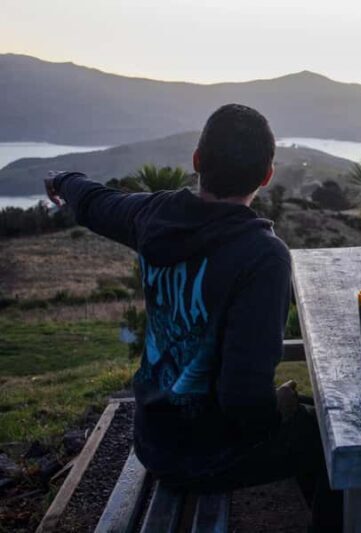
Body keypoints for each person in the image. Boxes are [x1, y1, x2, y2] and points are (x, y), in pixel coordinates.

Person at [44, 104, 342, 530]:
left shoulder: (152, 214)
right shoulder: (262, 255)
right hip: (205, 455)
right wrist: (278, 412)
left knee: (310, 417)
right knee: (332, 443)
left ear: (197, 161)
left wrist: (63, 181)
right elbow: (243, 398)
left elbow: (95, 202)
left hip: (155, 435)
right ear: (267, 176)